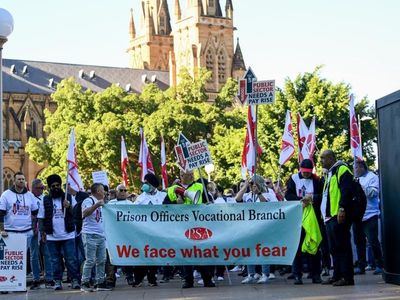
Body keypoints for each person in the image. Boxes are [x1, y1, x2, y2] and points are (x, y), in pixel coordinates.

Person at [163, 169, 215, 288]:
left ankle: (207, 279)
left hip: (198, 223)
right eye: (189, 174)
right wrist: (177, 204)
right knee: (185, 253)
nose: (192, 176)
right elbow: (164, 207)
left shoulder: (200, 186)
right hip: (181, 225)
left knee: (201, 252)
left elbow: (208, 203)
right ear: (181, 175)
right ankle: (188, 280)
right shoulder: (172, 189)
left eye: (192, 174)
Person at [39, 174, 81, 291]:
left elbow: (77, 214)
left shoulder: (68, 197)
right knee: (54, 260)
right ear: (49, 187)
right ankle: (57, 280)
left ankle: (75, 280)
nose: (56, 187)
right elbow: (41, 217)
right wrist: (42, 232)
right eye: (53, 186)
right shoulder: (46, 199)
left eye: (58, 185)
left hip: (68, 234)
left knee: (71, 259)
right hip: (52, 235)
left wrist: (69, 207)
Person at [319, 150, 355, 286]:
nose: (320, 160)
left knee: (343, 247)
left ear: (331, 158)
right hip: (329, 218)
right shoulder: (329, 174)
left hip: (338, 216)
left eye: (323, 158)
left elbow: (346, 191)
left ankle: (347, 277)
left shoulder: (342, 170)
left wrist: (342, 208)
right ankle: (337, 275)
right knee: (334, 249)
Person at [285, 159, 323, 285]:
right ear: (300, 169)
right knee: (297, 246)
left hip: (313, 218)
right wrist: (301, 200)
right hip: (298, 218)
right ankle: (297, 274)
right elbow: (288, 195)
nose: (306, 174)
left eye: (308, 172)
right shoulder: (294, 179)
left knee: (314, 246)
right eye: (304, 172)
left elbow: (322, 196)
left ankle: (316, 274)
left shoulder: (317, 180)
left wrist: (312, 199)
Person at [0, 172, 39, 288]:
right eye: (19, 179)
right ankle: (5, 284)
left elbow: (35, 212)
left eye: (23, 179)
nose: (21, 181)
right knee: (8, 260)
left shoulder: (30, 195)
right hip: (10, 233)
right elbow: (1, 213)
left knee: (21, 260)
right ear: (14, 181)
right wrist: (2, 230)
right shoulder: (6, 195)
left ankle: (18, 284)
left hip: (26, 232)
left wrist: (33, 227)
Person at [236, 174, 277, 284]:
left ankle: (265, 274)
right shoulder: (248, 195)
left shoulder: (269, 194)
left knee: (263, 251)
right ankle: (251, 274)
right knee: (249, 251)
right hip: (250, 227)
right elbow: (237, 199)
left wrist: (258, 193)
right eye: (250, 184)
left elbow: (270, 207)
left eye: (253, 184)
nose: (251, 186)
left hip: (264, 227)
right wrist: (245, 187)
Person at [132, 173, 166, 287]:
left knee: (154, 255)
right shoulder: (140, 198)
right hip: (143, 231)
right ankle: (138, 278)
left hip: (158, 231)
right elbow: (132, 213)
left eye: (146, 183)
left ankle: (152, 278)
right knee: (141, 254)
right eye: (144, 183)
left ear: (153, 184)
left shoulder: (163, 196)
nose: (144, 185)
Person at [352, 160, 383, 275]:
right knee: (359, 242)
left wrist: (360, 187)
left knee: (373, 241)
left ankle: (379, 264)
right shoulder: (354, 179)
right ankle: (361, 266)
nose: (354, 170)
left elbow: (373, 193)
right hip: (357, 216)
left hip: (370, 214)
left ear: (361, 167)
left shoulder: (372, 177)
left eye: (356, 168)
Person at [80, 183, 111, 292]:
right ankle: (85, 282)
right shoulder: (89, 201)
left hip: (101, 235)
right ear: (98, 191)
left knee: (102, 259)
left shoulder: (102, 203)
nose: (105, 192)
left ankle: (100, 283)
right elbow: (85, 213)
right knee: (90, 260)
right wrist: (96, 205)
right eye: (103, 190)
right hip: (90, 234)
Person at [107, 184, 134, 287]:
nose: (123, 192)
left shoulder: (132, 204)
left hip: (126, 234)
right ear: (116, 192)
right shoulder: (110, 204)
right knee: (112, 257)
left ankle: (129, 277)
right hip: (113, 235)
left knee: (127, 256)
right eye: (120, 190)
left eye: (124, 190)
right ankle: (111, 279)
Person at [30, 179, 54, 289]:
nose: (43, 189)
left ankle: (49, 277)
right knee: (34, 254)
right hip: (33, 226)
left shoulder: (45, 198)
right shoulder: (29, 197)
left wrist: (45, 229)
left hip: (43, 226)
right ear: (34, 188)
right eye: (41, 188)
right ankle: (36, 278)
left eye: (43, 187)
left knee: (47, 253)